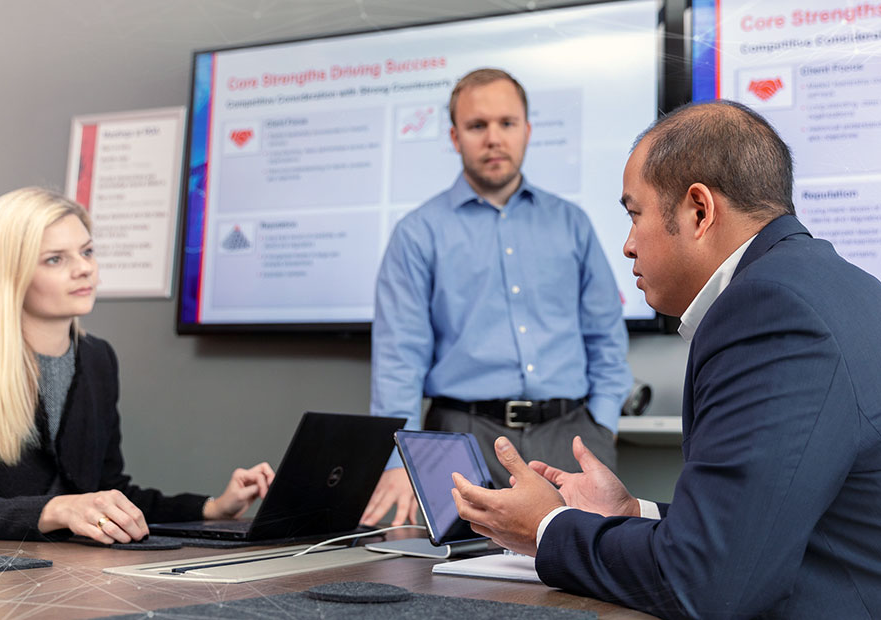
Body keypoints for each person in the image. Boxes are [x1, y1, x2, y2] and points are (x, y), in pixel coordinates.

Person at [451, 100, 881, 618]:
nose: (629, 245)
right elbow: (765, 525)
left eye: (635, 214)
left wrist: (545, 529)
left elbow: (710, 582)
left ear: (699, 210)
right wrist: (630, 513)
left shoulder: (767, 310)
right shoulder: (829, 284)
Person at [362, 68, 632, 527]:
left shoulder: (572, 224)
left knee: (586, 573)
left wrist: (601, 426)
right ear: (454, 136)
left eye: (506, 123)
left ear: (526, 131)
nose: (493, 138)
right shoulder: (417, 233)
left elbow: (605, 332)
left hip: (569, 436)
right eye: (476, 125)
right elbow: (398, 359)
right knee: (459, 583)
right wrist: (398, 461)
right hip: (459, 438)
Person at [0, 187, 275, 544]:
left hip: (73, 572)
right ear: (10, 272)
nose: (84, 268)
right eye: (56, 259)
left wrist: (213, 508)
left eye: (87, 252)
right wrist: (56, 510)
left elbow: (107, 490)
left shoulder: (97, 358)